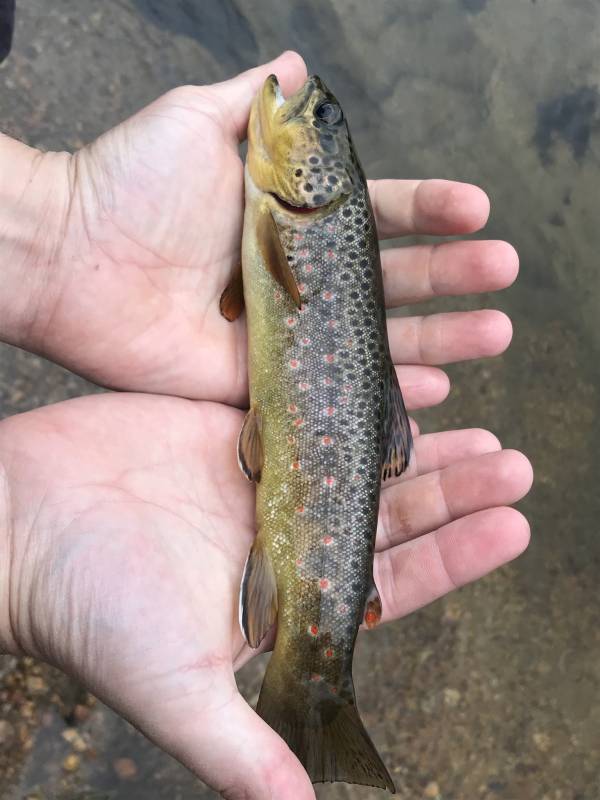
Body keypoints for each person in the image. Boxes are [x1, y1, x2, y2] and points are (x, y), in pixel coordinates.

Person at [0, 52, 533, 799]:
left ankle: (313, 684)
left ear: (319, 180)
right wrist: (63, 222)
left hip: (320, 436)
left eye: (319, 125)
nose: (302, 109)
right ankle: (314, 690)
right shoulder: (289, 216)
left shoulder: (291, 218)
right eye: (321, 122)